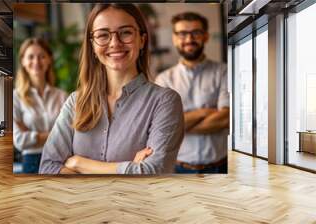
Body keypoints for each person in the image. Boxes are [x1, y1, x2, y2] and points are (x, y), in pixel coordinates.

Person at [39, 3, 184, 174]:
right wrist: (131, 168)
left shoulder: (165, 101)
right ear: (92, 45)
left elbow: (152, 171)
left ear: (142, 40)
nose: (115, 43)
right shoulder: (75, 102)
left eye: (126, 33)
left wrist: (78, 163)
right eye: (103, 35)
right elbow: (48, 167)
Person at [155, 12, 229, 174]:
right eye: (182, 33)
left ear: (206, 36)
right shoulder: (163, 80)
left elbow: (226, 118)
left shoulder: (224, 72)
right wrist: (205, 112)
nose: (189, 39)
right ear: (174, 38)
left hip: (221, 167)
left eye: (196, 32)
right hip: (179, 168)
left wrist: (178, 125)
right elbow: (162, 126)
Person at [13, 38, 68, 173]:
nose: (36, 62)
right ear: (23, 61)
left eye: (42, 56)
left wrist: (33, 135)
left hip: (61, 160)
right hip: (32, 163)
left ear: (49, 59)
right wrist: (56, 134)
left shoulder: (62, 96)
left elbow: (70, 136)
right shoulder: (15, 97)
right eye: (30, 57)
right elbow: (19, 140)